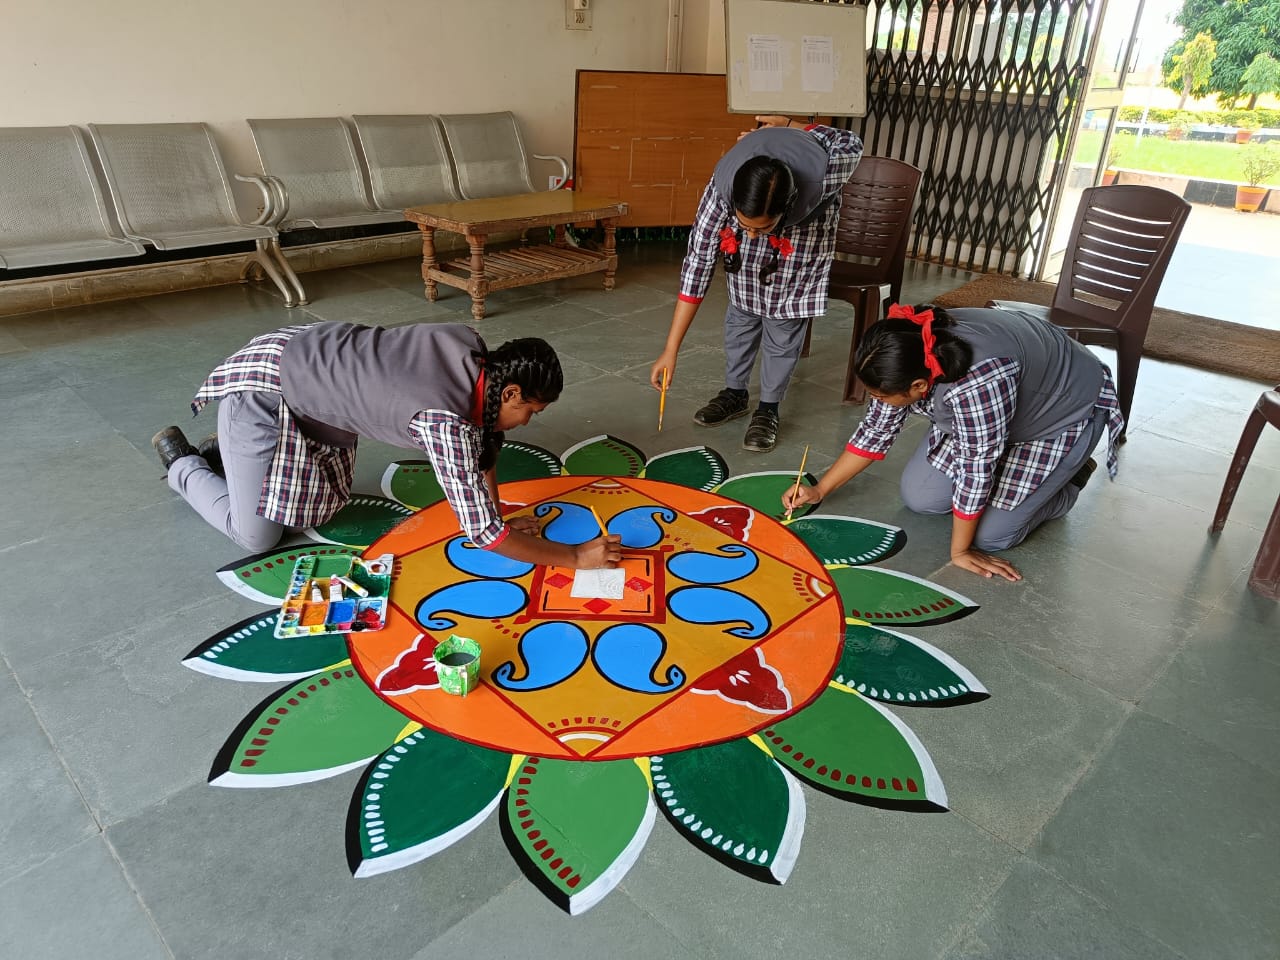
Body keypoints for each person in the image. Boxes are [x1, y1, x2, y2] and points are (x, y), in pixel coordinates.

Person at [151, 321, 620, 569]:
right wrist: (576, 557)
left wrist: (494, 511)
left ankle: (230, 453)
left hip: (311, 379)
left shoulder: (474, 353)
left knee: (314, 512)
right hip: (266, 387)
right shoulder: (443, 421)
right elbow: (483, 534)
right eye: (531, 411)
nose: (528, 421)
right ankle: (186, 464)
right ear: (511, 393)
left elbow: (483, 448)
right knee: (257, 536)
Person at [782, 304, 1125, 581]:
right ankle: (1024, 478)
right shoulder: (908, 350)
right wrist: (820, 489)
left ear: (918, 386)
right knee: (922, 498)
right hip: (995, 413)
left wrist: (959, 552)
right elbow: (875, 431)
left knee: (992, 537)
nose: (877, 401)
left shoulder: (978, 380)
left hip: (1059, 413)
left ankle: (1069, 481)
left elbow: (977, 467)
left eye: (881, 396)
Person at [648, 114, 863, 452]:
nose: (750, 235)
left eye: (761, 229)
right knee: (742, 316)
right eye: (743, 224)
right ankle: (735, 394)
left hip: (803, 239)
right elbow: (698, 264)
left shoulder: (825, 172)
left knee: (783, 323)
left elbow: (851, 141)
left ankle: (768, 408)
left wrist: (792, 125)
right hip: (757, 218)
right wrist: (671, 349)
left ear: (787, 208)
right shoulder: (722, 188)